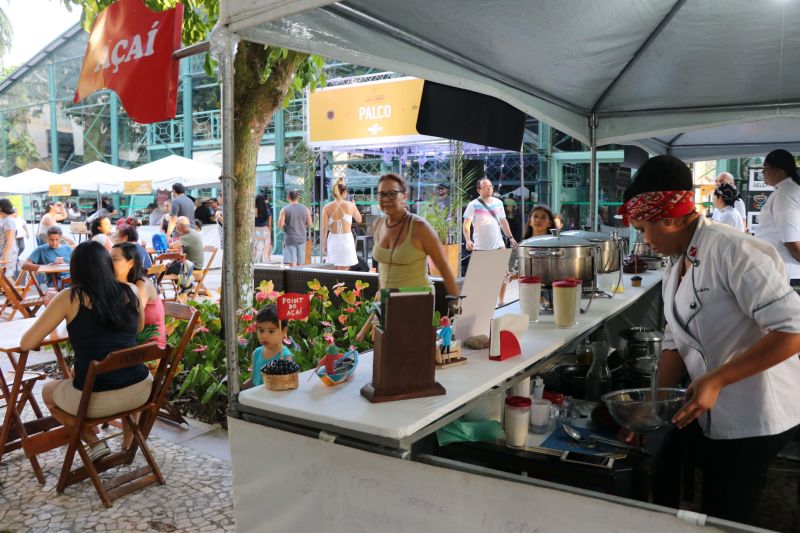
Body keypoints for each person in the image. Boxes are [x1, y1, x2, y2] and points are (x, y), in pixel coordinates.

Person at [618, 154, 800, 525]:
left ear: (669, 219)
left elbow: (792, 330)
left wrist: (716, 380)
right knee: (711, 498)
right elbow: (674, 342)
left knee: (726, 512)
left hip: (758, 409)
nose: (643, 240)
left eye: (642, 228)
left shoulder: (734, 251)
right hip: (716, 407)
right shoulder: (678, 261)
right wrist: (651, 406)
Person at [22, 241, 148, 458]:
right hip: (141, 390)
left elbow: (27, 343)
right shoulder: (132, 290)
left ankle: (93, 441)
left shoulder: (70, 297)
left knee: (48, 391)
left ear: (75, 269)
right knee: (76, 371)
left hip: (99, 399)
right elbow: (139, 328)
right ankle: (127, 441)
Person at [371, 173, 459, 296]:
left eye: (392, 193)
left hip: (417, 300)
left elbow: (443, 268)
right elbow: (383, 266)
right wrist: (380, 292)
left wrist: (456, 301)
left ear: (404, 196)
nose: (386, 199)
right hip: (389, 301)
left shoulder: (419, 227)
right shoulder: (378, 224)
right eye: (382, 194)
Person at [754, 149, 800, 286]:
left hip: (785, 273)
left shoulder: (785, 195)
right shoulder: (787, 191)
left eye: (765, 168)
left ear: (779, 171)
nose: (762, 172)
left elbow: (792, 242)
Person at [112, 242, 165, 349]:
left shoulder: (142, 284)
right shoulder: (118, 285)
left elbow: (131, 318)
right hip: (130, 343)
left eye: (115, 259)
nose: (109, 263)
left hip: (151, 347)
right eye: (108, 259)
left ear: (131, 263)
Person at [244, 305, 293, 389]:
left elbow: (288, 386)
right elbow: (253, 380)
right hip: (257, 397)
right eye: (261, 330)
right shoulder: (256, 353)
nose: (265, 336)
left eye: (271, 331)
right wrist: (241, 388)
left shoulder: (285, 357)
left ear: (283, 331)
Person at [463, 178, 517, 252]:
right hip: (480, 247)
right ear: (478, 190)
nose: (489, 188)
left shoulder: (499, 203)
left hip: (499, 245)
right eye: (485, 187)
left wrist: (511, 237)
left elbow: (503, 221)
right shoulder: (473, 204)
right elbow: (466, 225)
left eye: (490, 186)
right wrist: (468, 240)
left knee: (503, 260)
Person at [321, 177, 362, 270]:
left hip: (333, 240)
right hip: (346, 240)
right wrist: (355, 206)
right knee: (345, 272)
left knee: (334, 271)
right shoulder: (350, 205)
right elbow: (359, 220)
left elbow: (324, 228)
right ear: (344, 192)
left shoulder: (326, 207)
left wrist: (323, 245)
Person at [168, 216, 204, 292]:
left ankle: (187, 286)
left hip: (193, 265)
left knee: (167, 269)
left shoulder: (189, 235)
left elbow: (172, 246)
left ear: (179, 226)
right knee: (170, 266)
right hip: (191, 263)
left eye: (176, 225)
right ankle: (184, 285)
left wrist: (166, 243)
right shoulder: (191, 232)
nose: (175, 227)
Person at [278, 189, 311, 267]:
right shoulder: (305, 209)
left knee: (292, 264)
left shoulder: (284, 209)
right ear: (298, 197)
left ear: (288, 197)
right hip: (302, 239)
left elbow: (280, 225)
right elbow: (309, 223)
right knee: (300, 264)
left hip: (290, 239)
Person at [253, 194, 272, 264]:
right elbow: (269, 225)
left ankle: (256, 264)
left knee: (255, 249)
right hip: (265, 231)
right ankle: (265, 264)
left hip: (255, 230)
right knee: (265, 250)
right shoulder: (267, 211)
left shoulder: (253, 211)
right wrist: (269, 236)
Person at [0, 198, 18, 274]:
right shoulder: (3, 219)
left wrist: (5, 255)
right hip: (3, 250)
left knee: (6, 276)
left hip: (8, 252)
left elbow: (10, 239)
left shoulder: (8, 220)